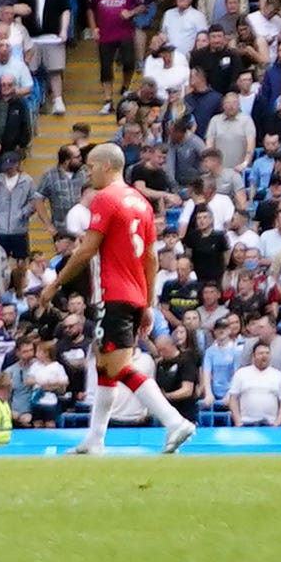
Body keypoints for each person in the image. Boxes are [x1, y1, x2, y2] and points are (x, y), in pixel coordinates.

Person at [72, 140, 192, 456]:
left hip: (111, 294)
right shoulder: (140, 202)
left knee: (118, 366)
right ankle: (95, 439)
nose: (88, 173)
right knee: (104, 365)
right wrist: (148, 302)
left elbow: (87, 250)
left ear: (106, 167)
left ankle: (174, 421)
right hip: (133, 293)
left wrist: (54, 284)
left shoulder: (105, 199)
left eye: (90, 167)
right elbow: (150, 258)